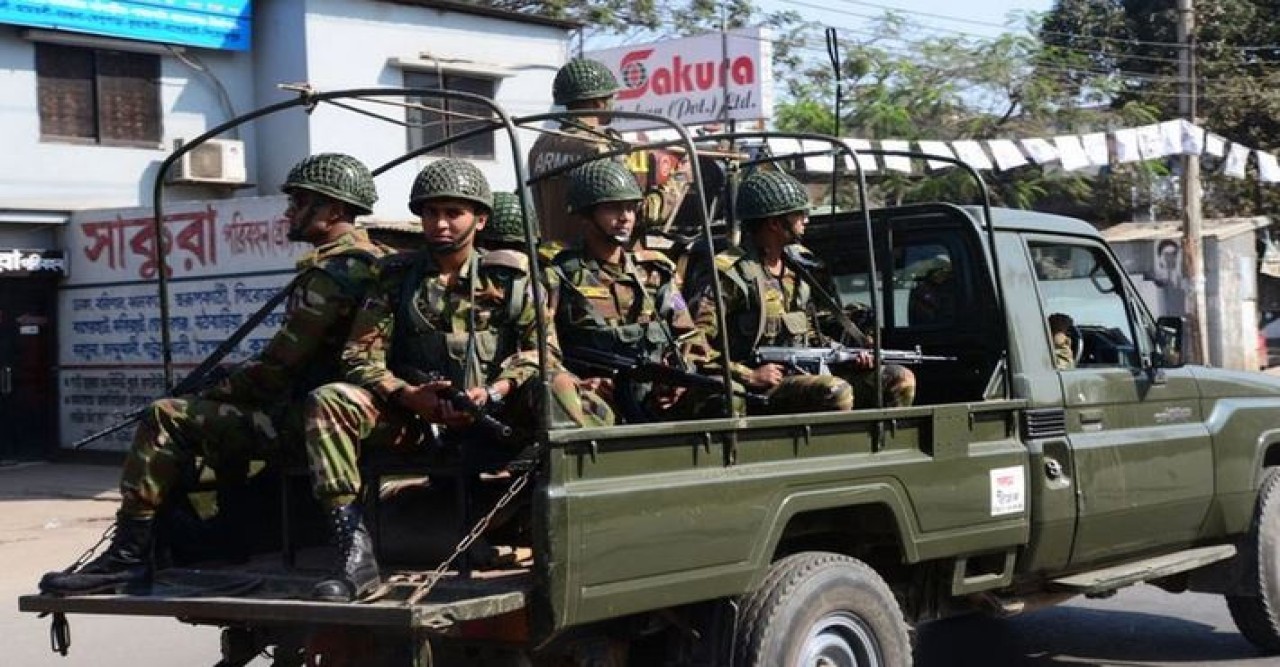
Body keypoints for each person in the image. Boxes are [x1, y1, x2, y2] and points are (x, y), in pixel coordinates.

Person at [40, 153, 390, 595]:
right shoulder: (372, 260)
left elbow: (279, 369)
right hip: (337, 416)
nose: (288, 212)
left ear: (334, 210)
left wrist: (219, 389)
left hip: (312, 419)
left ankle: (129, 557)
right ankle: (214, 535)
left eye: (299, 202)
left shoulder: (336, 272)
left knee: (168, 416)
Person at [302, 158, 610, 602]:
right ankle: (354, 553)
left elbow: (541, 352)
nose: (440, 223)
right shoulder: (394, 280)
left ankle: (564, 536)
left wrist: (497, 390)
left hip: (499, 422)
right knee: (329, 400)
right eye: (430, 213)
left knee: (557, 384)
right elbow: (359, 356)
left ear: (480, 219)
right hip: (417, 422)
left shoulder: (514, 279)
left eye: (453, 213)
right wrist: (408, 395)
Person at [689, 170, 916, 414]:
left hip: (803, 371)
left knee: (899, 379)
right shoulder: (731, 273)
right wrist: (749, 374)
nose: (806, 220)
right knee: (835, 391)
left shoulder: (801, 268)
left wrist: (849, 354)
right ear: (775, 223)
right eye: (799, 214)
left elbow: (810, 333)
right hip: (759, 385)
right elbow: (693, 343)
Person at [550, 159, 722, 423]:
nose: (625, 217)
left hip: (654, 394)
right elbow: (542, 350)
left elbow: (688, 334)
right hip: (597, 395)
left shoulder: (655, 271)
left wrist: (680, 376)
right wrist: (577, 382)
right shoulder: (558, 274)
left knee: (724, 395)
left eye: (630, 207)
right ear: (585, 214)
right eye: (613, 208)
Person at [527, 58, 687, 245]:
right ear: (598, 102)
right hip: (594, 262)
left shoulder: (541, 146)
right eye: (611, 98)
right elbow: (639, 213)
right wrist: (681, 177)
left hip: (553, 260)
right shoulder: (602, 147)